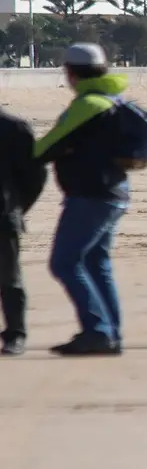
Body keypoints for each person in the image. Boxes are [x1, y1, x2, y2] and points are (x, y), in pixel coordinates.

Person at [33, 43, 136, 356]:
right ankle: (110, 334)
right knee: (96, 262)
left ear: (71, 72)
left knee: (64, 262)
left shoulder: (88, 104)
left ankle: (98, 331)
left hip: (90, 196)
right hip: (113, 193)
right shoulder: (113, 99)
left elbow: (44, 149)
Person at [0, 110, 48, 356]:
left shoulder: (13, 129)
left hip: (4, 215)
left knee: (9, 279)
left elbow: (35, 176)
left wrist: (16, 208)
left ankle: (15, 334)